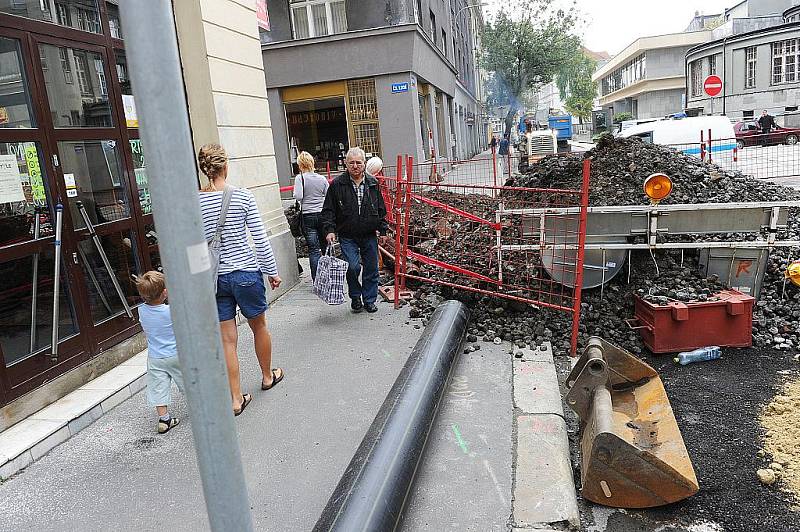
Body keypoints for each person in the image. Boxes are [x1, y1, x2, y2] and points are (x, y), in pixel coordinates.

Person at [197, 143, 284, 416]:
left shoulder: (194, 202)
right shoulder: (243, 197)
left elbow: (195, 245)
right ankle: (268, 376)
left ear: (204, 169)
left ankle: (236, 399)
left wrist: (197, 282)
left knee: (227, 340)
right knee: (259, 326)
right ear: (225, 166)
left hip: (216, 280)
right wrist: (272, 271)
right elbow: (259, 238)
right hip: (246, 273)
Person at [322, 147, 388, 314]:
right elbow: (329, 210)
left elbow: (381, 209)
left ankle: (369, 299)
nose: (355, 166)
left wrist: (384, 231)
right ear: (346, 164)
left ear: (364, 164)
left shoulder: (373, 183)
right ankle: (355, 296)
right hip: (347, 234)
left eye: (359, 162)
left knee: (371, 268)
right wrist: (329, 230)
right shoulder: (337, 184)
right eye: (351, 162)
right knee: (352, 267)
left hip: (369, 233)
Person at [134, 271, 184, 435]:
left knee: (158, 388)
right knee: (190, 382)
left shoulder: (141, 311)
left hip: (155, 357)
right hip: (176, 355)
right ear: (164, 293)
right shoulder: (171, 312)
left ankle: (164, 419)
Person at [293, 151, 329, 281]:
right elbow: (328, 195)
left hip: (308, 215)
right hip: (322, 215)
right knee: (325, 247)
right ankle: (327, 276)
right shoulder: (321, 178)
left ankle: (317, 279)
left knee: (314, 249)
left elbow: (298, 196)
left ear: (300, 165)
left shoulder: (300, 178)